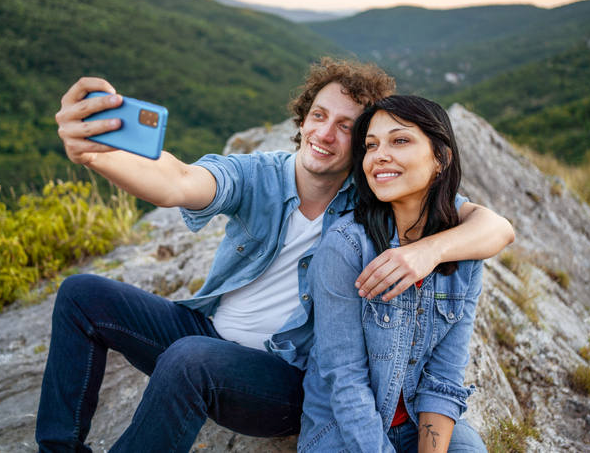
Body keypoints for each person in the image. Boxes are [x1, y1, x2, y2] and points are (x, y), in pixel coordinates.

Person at [36, 58, 514, 452]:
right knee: (81, 294)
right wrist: (98, 154)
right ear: (302, 119)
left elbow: (493, 226)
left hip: (284, 380)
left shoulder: (373, 197)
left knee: (190, 359)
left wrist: (429, 252)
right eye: (319, 116)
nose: (325, 134)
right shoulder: (260, 176)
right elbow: (177, 182)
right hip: (208, 335)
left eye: (347, 127)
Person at [299, 95, 492, 453]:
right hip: (343, 430)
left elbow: (444, 376)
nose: (380, 155)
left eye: (399, 140)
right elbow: (346, 382)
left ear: (441, 158)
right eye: (371, 146)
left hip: (420, 422)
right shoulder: (345, 248)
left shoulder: (463, 251)